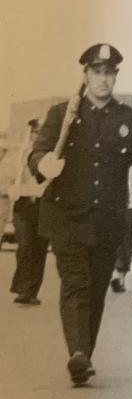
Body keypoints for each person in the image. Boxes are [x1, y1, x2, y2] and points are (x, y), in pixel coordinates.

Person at [28, 43, 132, 386]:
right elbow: (39, 150)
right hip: (67, 216)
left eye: (109, 73)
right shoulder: (63, 114)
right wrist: (43, 163)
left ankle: (83, 354)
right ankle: (77, 353)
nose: (103, 79)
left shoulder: (128, 119)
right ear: (85, 75)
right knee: (76, 283)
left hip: (107, 220)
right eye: (97, 72)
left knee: (97, 289)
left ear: (116, 76)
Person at [8, 119, 48, 305]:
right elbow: (9, 176)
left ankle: (31, 291)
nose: (36, 136)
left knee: (39, 249)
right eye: (34, 132)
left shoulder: (50, 155)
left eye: (40, 133)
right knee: (25, 246)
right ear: (30, 133)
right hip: (23, 204)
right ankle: (23, 288)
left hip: (42, 205)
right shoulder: (20, 154)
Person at [110, 169, 132, 294]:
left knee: (129, 242)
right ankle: (117, 274)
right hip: (115, 205)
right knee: (116, 239)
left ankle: (122, 275)